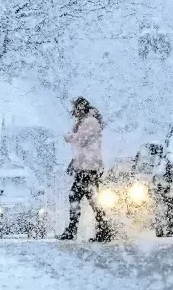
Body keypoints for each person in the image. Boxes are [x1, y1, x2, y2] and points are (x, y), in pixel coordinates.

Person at [58, 97, 112, 242]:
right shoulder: (85, 122)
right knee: (92, 199)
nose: (74, 112)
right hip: (86, 166)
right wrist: (74, 163)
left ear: (81, 108)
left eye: (76, 108)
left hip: (88, 167)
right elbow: (81, 147)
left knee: (76, 197)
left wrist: (69, 136)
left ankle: (73, 230)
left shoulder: (90, 122)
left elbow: (81, 140)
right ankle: (104, 229)